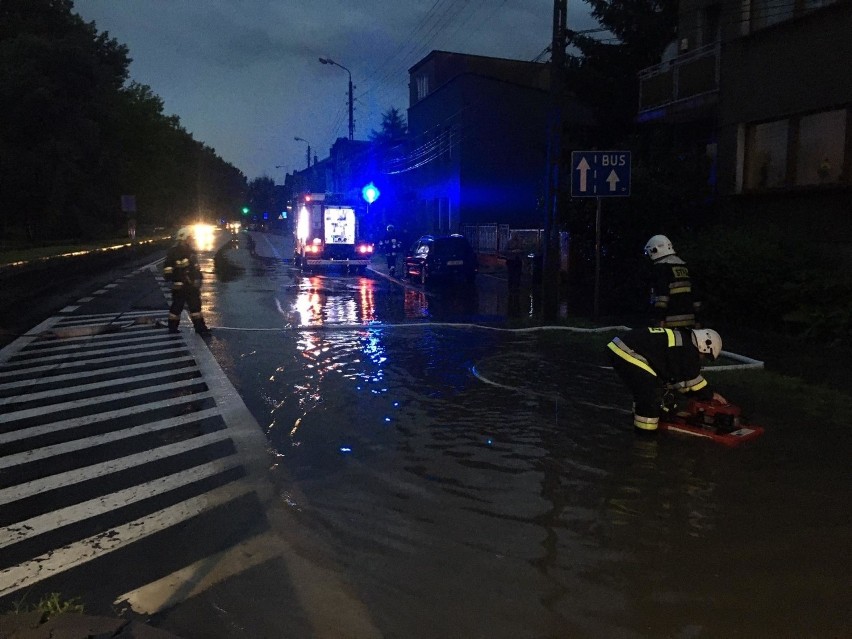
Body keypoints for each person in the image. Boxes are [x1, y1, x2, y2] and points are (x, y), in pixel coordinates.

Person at [606, 327, 727, 433]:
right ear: (704, 345)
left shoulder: (682, 341)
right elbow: (693, 380)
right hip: (627, 351)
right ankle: (645, 438)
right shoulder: (688, 349)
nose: (702, 358)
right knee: (651, 392)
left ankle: (636, 419)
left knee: (647, 389)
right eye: (705, 355)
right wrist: (710, 394)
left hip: (621, 348)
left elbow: (679, 380)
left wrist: (691, 394)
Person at [644, 234, 702, 328]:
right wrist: (698, 321)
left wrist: (659, 321)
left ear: (654, 250)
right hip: (690, 322)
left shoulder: (661, 269)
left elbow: (661, 297)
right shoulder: (685, 266)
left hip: (669, 323)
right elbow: (696, 295)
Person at [163, 227, 210, 335]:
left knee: (196, 308)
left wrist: (198, 278)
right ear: (183, 238)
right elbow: (168, 268)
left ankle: (200, 328)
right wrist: (170, 280)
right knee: (176, 308)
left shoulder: (190, 251)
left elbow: (195, 268)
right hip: (179, 287)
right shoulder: (174, 252)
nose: (191, 239)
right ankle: (172, 328)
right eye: (189, 237)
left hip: (191, 286)